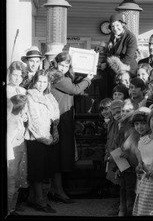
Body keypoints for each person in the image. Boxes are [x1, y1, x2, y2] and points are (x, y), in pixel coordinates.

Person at [47, 51, 94, 203]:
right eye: (61, 64)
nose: (64, 68)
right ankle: (58, 191)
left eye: (67, 65)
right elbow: (74, 89)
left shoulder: (61, 75)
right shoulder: (56, 75)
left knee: (60, 156)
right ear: (56, 63)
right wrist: (88, 79)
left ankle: (56, 190)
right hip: (58, 120)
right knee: (58, 156)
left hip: (63, 118)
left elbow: (72, 86)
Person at [25, 69, 60, 213]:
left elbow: (55, 116)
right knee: (37, 171)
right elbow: (33, 119)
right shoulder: (30, 96)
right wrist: (46, 138)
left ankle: (37, 198)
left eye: (45, 82)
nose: (41, 84)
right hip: (36, 138)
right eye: (39, 81)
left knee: (46, 170)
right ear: (34, 81)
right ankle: (40, 201)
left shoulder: (49, 96)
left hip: (49, 137)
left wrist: (55, 131)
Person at [97, 12, 138, 97]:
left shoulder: (130, 37)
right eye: (112, 26)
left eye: (117, 25)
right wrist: (103, 50)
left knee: (123, 93)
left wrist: (108, 64)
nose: (115, 28)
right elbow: (110, 52)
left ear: (122, 24)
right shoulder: (113, 36)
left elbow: (127, 59)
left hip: (127, 71)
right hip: (115, 70)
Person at [7, 95, 29, 216]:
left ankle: (12, 209)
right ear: (22, 107)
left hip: (19, 153)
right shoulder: (12, 121)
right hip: (13, 155)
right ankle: (8, 210)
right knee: (11, 182)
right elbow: (9, 140)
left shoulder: (18, 117)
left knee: (16, 182)